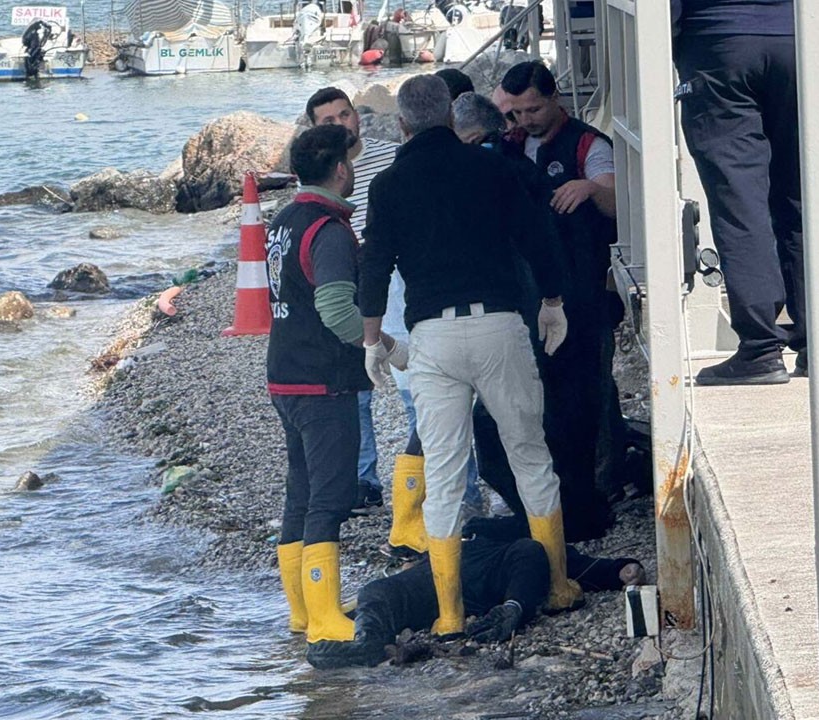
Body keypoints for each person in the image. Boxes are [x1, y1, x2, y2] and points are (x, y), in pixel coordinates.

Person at [360, 75, 579, 637]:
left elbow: (376, 267)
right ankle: (556, 583)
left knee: (446, 471)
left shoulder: (386, 186)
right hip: (500, 325)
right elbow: (537, 237)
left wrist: (370, 339)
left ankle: (451, 613)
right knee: (529, 453)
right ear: (450, 120)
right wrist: (552, 300)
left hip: (432, 335)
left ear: (403, 125)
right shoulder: (492, 167)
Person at [266, 125, 406, 649]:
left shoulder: (283, 219)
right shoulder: (327, 229)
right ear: (342, 169)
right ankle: (325, 618)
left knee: (300, 494)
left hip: (285, 374)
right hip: (322, 381)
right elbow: (334, 309)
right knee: (329, 498)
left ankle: (303, 611)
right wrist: (382, 345)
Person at [498, 61, 621, 537]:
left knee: (590, 387)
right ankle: (552, 490)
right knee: (539, 391)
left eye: (533, 108)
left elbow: (616, 199)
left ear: (555, 99)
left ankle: (600, 481)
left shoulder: (588, 144)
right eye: (518, 111)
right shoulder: (511, 146)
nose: (526, 119)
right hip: (529, 291)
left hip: (584, 287)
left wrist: (590, 187)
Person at [307, 513, 645, 668]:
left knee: (531, 552)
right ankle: (367, 643)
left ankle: (513, 609)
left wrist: (620, 569)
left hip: (499, 567)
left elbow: (574, 562)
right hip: (443, 571)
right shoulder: (468, 528)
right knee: (378, 590)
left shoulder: (524, 538)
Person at [673, 0, 803, 384]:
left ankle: (761, 348)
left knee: (740, 199)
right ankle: (817, 339)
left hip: (717, 42)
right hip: (797, 38)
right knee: (802, 196)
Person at [306, 87, 399, 514]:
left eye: (345, 114)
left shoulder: (391, 156)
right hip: (346, 281)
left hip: (395, 278)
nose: (341, 124)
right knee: (355, 385)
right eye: (328, 121)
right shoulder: (317, 173)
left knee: (414, 380)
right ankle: (364, 481)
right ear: (314, 129)